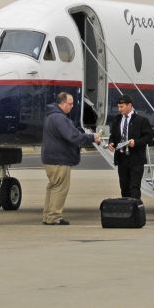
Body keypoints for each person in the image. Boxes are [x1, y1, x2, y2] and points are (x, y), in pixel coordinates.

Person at [41, 92, 100, 225]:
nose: (72, 106)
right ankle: (54, 217)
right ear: (61, 103)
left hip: (49, 159)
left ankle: (48, 215)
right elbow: (73, 136)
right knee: (60, 188)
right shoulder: (60, 119)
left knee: (52, 187)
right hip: (59, 160)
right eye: (70, 104)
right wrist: (91, 138)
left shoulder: (50, 117)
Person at [107, 94, 153, 199]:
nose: (119, 109)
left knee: (135, 187)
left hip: (136, 159)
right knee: (124, 187)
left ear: (129, 105)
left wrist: (135, 143)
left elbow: (149, 137)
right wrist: (111, 143)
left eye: (121, 107)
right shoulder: (117, 120)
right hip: (122, 158)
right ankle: (126, 211)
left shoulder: (141, 120)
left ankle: (135, 210)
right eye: (118, 107)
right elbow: (113, 136)